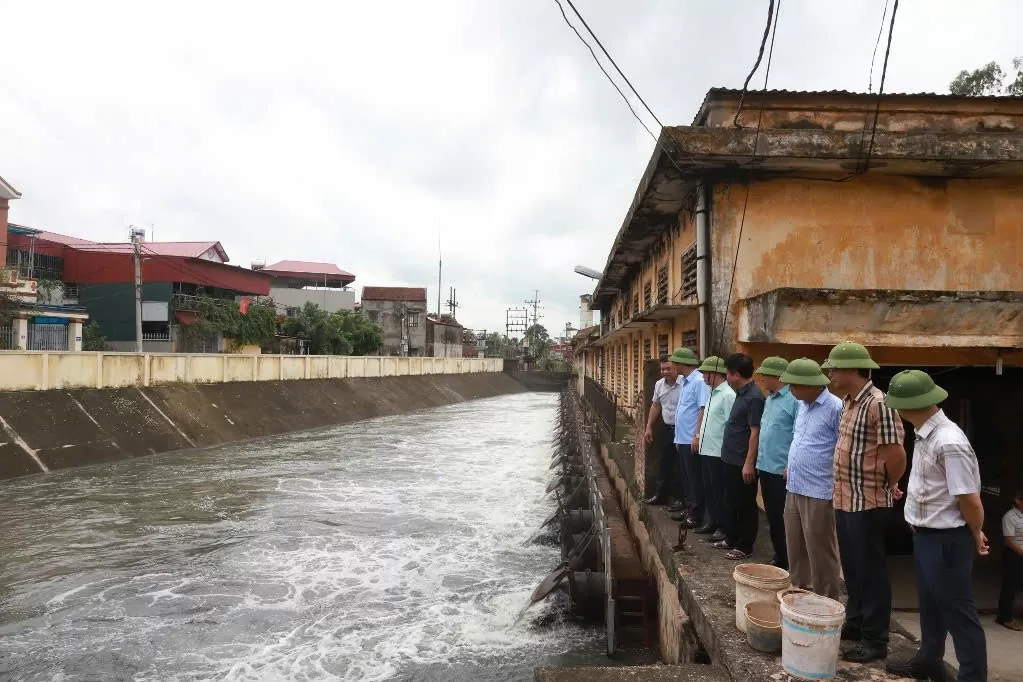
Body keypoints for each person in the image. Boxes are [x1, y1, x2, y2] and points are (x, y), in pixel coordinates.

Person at [884, 370, 988, 682]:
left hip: (946, 540)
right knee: (930, 605)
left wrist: (975, 531)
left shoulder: (948, 441)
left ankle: (972, 676)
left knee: (959, 614)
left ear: (909, 406)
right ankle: (929, 660)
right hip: (926, 537)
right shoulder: (924, 433)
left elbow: (969, 498)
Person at [827, 342, 907, 663]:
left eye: (834, 368)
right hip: (845, 499)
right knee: (853, 569)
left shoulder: (879, 404)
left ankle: (875, 638)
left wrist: (891, 483)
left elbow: (896, 455)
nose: (830, 373)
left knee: (871, 572)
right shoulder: (849, 402)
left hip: (869, 501)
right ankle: (857, 621)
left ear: (852, 370)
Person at [779, 358, 843, 600]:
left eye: (793, 385)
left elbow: (841, 448)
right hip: (795, 485)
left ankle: (826, 600)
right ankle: (800, 593)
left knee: (820, 549)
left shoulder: (835, 408)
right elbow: (800, 439)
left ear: (809, 384)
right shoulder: (803, 405)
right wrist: (790, 464)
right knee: (795, 545)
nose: (790, 390)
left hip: (819, 489)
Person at [717, 353, 765, 561]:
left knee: (745, 504)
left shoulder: (754, 397)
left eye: (728, 373)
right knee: (732, 502)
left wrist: (748, 463)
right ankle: (732, 537)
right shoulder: (741, 393)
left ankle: (745, 545)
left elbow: (755, 432)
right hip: (730, 458)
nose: (726, 377)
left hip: (742, 461)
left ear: (736, 374)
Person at [754, 356, 798, 570]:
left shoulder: (794, 400)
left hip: (783, 470)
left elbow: (799, 436)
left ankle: (790, 559)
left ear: (778, 377)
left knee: (785, 518)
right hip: (766, 466)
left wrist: (791, 464)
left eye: (766, 376)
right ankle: (779, 555)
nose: (763, 381)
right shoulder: (770, 399)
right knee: (772, 516)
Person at [693, 356, 735, 543]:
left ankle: (723, 527)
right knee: (709, 489)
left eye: (705, 374)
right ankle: (712, 522)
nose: (703, 378)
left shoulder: (728, 395)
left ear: (715, 374)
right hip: (706, 450)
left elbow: (730, 425)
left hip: (718, 452)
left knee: (720, 492)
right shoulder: (712, 392)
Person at [671, 347, 707, 526]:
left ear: (681, 364)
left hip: (690, 438)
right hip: (682, 438)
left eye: (675, 363)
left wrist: (697, 435)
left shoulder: (699, 381)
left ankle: (696, 514)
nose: (673, 366)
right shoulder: (685, 382)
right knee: (685, 477)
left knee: (693, 478)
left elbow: (702, 409)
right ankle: (689, 509)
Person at [644, 355, 682, 507]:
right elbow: (655, 405)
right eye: (662, 369)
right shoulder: (659, 384)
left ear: (676, 368)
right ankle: (661, 495)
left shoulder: (685, 384)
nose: (665, 372)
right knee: (664, 462)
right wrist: (648, 427)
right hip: (667, 428)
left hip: (683, 430)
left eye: (668, 368)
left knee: (682, 465)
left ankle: (680, 499)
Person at [997, 490, 1023, 631]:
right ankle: (1004, 618)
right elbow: (1009, 541)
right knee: (1010, 587)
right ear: (1018, 501)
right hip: (1014, 554)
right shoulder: (1010, 517)